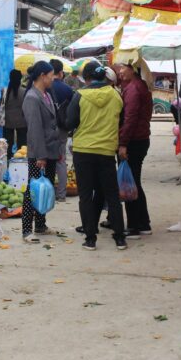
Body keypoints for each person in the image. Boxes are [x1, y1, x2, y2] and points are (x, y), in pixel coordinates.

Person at [66, 61, 127, 251]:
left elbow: (70, 122)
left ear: (88, 77)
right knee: (112, 195)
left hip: (83, 151)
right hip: (107, 151)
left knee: (85, 195)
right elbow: (121, 121)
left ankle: (90, 239)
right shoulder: (116, 95)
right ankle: (119, 238)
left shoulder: (79, 96)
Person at [21, 60, 61, 243]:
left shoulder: (46, 94)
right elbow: (35, 129)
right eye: (51, 74)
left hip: (51, 150)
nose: (54, 78)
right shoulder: (32, 97)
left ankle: (41, 225)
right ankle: (27, 229)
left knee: (45, 189)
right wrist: (40, 156)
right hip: (40, 153)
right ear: (42, 76)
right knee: (34, 190)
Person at [116, 62, 153, 238]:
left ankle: (134, 226)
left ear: (132, 69)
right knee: (134, 181)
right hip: (140, 138)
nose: (120, 72)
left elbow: (130, 119)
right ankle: (143, 223)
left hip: (133, 141)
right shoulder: (139, 86)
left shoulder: (134, 90)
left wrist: (123, 143)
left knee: (129, 184)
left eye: (122, 68)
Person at [50, 59, 75, 202]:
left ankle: (48, 194)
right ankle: (61, 195)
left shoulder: (44, 87)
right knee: (60, 160)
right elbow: (72, 111)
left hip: (47, 128)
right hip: (62, 128)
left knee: (45, 160)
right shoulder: (67, 89)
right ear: (61, 73)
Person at [1, 69, 27, 160]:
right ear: (20, 78)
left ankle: (7, 159)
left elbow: (2, 104)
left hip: (8, 120)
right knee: (22, 142)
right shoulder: (24, 91)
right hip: (22, 120)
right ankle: (21, 159)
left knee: (8, 142)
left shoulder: (4, 91)